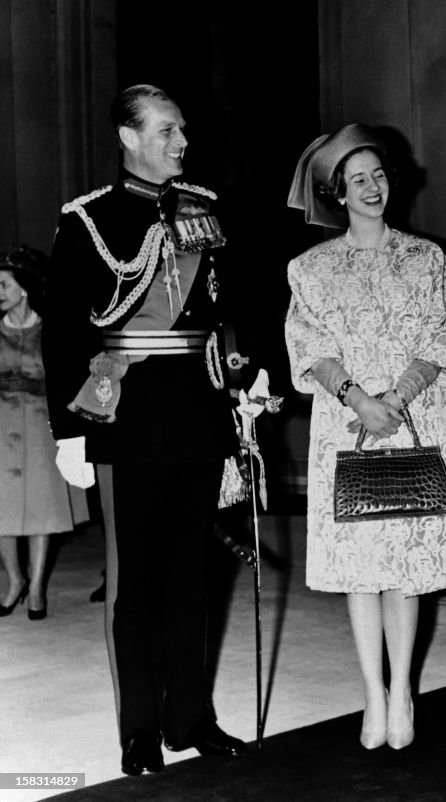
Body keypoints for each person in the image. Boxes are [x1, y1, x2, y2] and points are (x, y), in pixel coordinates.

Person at [43, 84, 250, 776]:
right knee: (134, 586)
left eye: (182, 130)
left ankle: (190, 717)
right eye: (166, 132)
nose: (180, 142)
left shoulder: (206, 212)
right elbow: (65, 331)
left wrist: (244, 385)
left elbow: (227, 313)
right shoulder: (88, 221)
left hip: (196, 413)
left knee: (191, 576)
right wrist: (67, 429)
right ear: (129, 137)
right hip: (124, 417)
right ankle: (138, 729)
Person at [284, 123, 446, 750]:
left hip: (413, 423)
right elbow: (309, 345)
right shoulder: (310, 268)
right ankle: (373, 694)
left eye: (378, 175)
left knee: (404, 569)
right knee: (361, 570)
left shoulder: (428, 259)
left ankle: (405, 692)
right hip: (347, 426)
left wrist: (397, 397)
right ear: (336, 193)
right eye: (357, 180)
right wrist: (359, 400)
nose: (372, 187)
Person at [0, 246, 83, 620]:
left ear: (24, 288)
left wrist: (36, 387)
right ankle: (14, 580)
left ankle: (36, 589)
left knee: (41, 511)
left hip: (39, 430)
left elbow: (68, 380)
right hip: (1, 430)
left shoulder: (50, 329)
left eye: (4, 284)